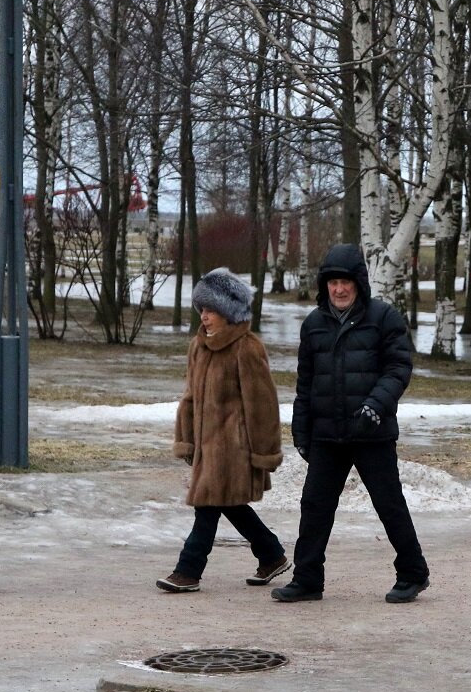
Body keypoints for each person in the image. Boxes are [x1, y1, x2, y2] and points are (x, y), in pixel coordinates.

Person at [272, 243, 430, 604]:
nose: (339, 289)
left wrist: (375, 405)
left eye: (345, 282)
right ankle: (308, 579)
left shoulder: (384, 317)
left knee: (389, 504)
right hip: (328, 434)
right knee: (314, 506)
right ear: (324, 285)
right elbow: (305, 384)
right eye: (332, 283)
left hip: (371, 432)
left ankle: (413, 573)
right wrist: (301, 431)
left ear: (358, 283)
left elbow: (398, 368)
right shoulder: (313, 324)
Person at [157, 268, 290, 593]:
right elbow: (189, 398)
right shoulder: (198, 347)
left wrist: (264, 452)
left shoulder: (247, 347)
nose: (204, 317)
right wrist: (186, 440)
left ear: (230, 312)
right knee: (228, 505)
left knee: (207, 507)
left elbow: (262, 405)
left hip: (235, 449)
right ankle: (272, 554)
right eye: (201, 309)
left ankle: (188, 571)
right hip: (206, 447)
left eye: (211, 310)